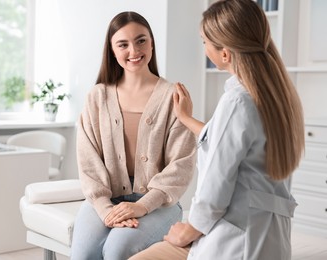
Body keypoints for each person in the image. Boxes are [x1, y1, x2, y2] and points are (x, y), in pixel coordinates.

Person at [129, 0, 305, 259]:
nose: (203, 48)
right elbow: (232, 144)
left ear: (224, 54)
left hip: (235, 242)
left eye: (204, 42)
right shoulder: (276, 96)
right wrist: (186, 118)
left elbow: (216, 185)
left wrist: (188, 230)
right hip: (271, 240)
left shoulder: (237, 101)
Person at [70, 11, 197, 260]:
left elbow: (181, 164)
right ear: (112, 50)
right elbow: (88, 160)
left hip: (158, 203)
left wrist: (142, 205)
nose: (134, 50)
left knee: (117, 249)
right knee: (83, 253)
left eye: (141, 40)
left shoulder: (174, 96)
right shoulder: (97, 96)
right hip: (107, 197)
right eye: (123, 44)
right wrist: (106, 208)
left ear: (151, 43)